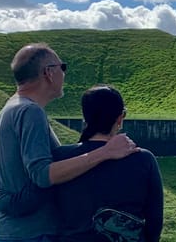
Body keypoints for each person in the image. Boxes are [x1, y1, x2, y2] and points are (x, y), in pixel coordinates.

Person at [0, 43, 139, 242]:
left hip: (15, 230)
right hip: (33, 234)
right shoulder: (30, 111)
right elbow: (42, 174)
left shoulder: (11, 108)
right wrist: (105, 152)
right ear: (49, 73)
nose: (64, 74)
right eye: (63, 67)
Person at [52, 85, 163, 241]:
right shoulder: (144, 159)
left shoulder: (60, 157)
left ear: (85, 117)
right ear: (120, 118)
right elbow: (155, 223)